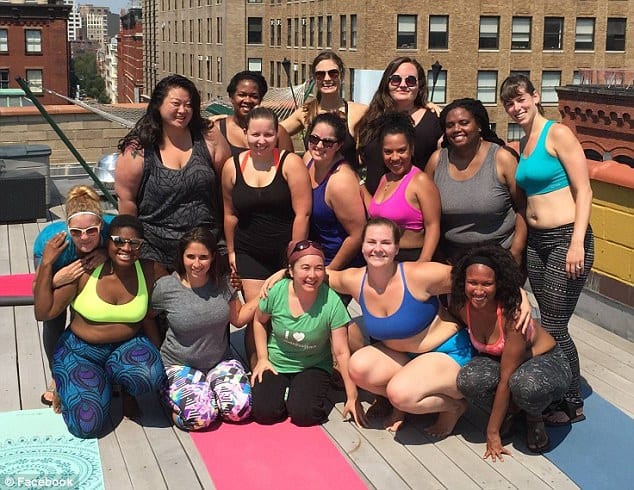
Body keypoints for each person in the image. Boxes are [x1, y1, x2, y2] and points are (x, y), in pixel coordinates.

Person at [500, 74, 594, 425]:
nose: (516, 107)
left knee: (554, 325)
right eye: (510, 103)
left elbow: (584, 191)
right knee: (548, 321)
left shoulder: (558, 134)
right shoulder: (524, 143)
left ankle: (571, 401)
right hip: (538, 242)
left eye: (521, 99)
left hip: (566, 237)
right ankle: (555, 390)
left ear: (535, 96)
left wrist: (576, 242)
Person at [33, 215, 166, 439]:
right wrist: (46, 264)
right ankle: (82, 386)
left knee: (150, 375)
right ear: (108, 243)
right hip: (80, 352)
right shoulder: (86, 270)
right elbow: (43, 312)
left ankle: (122, 389)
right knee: (86, 426)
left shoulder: (151, 269)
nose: (126, 248)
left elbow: (183, 285)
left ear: (141, 247)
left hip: (126, 346)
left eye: (134, 243)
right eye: (119, 241)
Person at [452, 245, 571, 459]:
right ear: (464, 281)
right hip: (505, 361)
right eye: (472, 282)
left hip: (545, 360)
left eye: (487, 283)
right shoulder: (461, 306)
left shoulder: (512, 317)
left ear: (499, 284)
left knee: (523, 385)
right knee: (468, 380)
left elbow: (506, 379)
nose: (478, 290)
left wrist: (492, 432)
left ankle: (534, 416)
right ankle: (511, 411)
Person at [222, 107, 312, 367]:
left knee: (286, 311)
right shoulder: (232, 166)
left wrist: (295, 257)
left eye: (268, 135)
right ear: (245, 134)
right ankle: (257, 367)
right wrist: (231, 251)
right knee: (258, 313)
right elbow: (230, 214)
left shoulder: (290, 163)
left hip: (285, 251)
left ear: (277, 135)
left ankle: (289, 363)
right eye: (255, 134)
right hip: (249, 251)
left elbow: (302, 214)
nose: (261, 140)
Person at [115, 74, 231, 269]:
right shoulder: (138, 148)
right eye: (176, 103)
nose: (182, 110)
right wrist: (130, 248)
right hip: (156, 252)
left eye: (189, 105)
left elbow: (228, 187)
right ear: (158, 105)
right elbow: (127, 202)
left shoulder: (209, 136)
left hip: (206, 248)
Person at [151, 227, 258, 431]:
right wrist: (154, 351)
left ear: (213, 258)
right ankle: (179, 400)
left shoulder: (224, 283)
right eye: (190, 256)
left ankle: (208, 391)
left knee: (239, 411)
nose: (197, 264)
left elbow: (239, 319)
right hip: (179, 364)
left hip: (219, 362)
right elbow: (147, 317)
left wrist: (267, 294)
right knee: (200, 418)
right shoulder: (165, 287)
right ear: (181, 257)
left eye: (203, 257)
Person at [251, 240, 366, 427]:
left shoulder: (332, 301)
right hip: (277, 362)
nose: (312, 275)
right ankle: (287, 392)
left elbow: (342, 352)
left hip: (313, 364)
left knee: (305, 415)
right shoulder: (277, 292)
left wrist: (352, 396)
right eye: (305, 268)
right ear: (291, 270)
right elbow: (258, 321)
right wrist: (262, 358)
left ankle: (298, 392)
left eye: (319, 268)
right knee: (264, 413)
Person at [33, 185, 114, 407]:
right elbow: (37, 292)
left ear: (101, 225)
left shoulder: (111, 231)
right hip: (58, 264)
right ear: (67, 228)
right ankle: (56, 376)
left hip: (97, 264)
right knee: (53, 319)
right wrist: (54, 274)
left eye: (91, 231)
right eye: (76, 232)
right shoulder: (51, 241)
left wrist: (107, 252)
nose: (84, 238)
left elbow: (130, 252)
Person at [425, 98, 527, 264]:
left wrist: (516, 251)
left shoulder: (502, 158)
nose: (456, 129)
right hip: (452, 259)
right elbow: (425, 212)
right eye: (450, 125)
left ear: (479, 125)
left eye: (464, 123)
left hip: (499, 258)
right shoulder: (437, 161)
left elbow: (523, 207)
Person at [357, 57, 443, 194]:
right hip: (373, 206)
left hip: (413, 205)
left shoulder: (434, 121)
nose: (403, 85)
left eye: (410, 81)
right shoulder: (370, 118)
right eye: (396, 79)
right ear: (387, 82)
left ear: (419, 85)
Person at [365, 112, 441, 263]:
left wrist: (424, 261)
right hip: (382, 260)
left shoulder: (420, 180)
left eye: (401, 150)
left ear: (411, 149)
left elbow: (433, 225)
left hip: (411, 259)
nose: (394, 157)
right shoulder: (384, 179)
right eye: (388, 152)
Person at [281, 51, 367, 167]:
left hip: (344, 181)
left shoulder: (359, 112)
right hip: (314, 182)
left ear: (341, 76)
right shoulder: (305, 112)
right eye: (320, 75)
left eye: (333, 73)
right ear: (315, 79)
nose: (327, 78)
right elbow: (274, 131)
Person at [304, 112, 366, 270]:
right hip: (313, 261)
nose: (318, 146)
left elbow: (357, 234)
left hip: (338, 266)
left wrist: (329, 271)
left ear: (339, 145)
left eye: (327, 142)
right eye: (314, 139)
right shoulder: (307, 160)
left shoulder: (340, 181)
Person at [214, 71, 294, 157]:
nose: (247, 100)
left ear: (261, 99)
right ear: (231, 97)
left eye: (254, 96)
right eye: (242, 95)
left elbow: (290, 164)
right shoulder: (217, 130)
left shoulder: (278, 132)